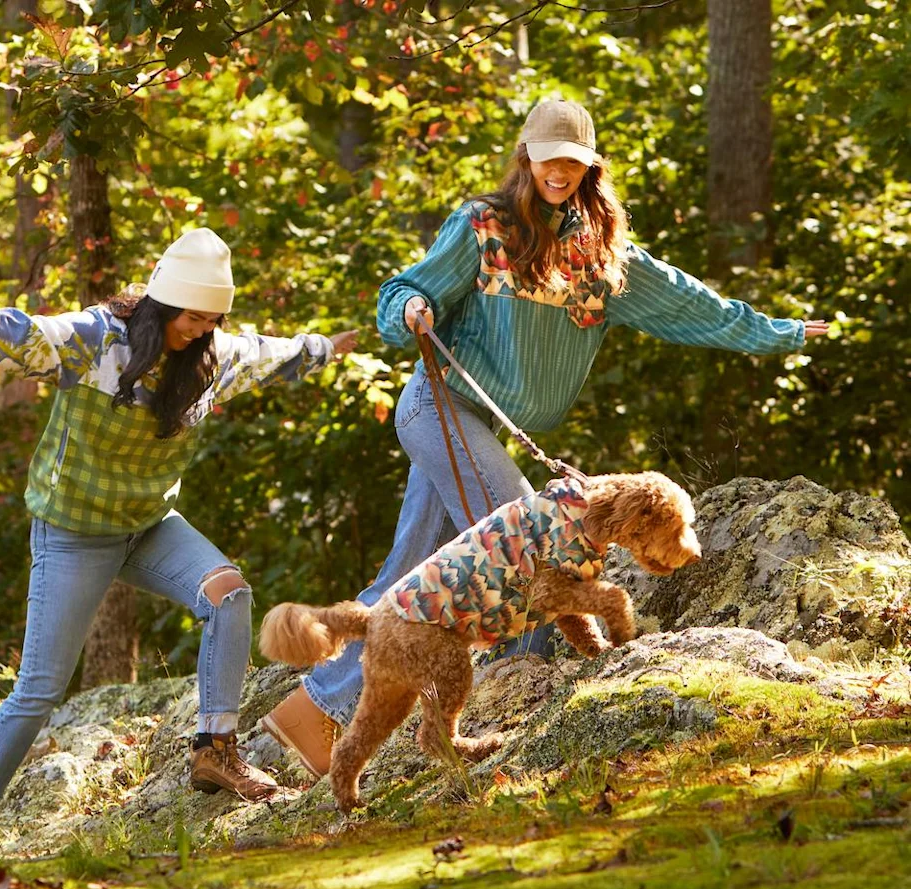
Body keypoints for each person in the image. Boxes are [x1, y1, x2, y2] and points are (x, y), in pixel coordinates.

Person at [260, 98, 828, 779]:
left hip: (476, 427)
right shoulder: (484, 226)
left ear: (589, 167)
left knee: (411, 578)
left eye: (572, 160)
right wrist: (411, 308)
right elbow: (405, 289)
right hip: (439, 407)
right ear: (526, 156)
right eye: (546, 155)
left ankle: (307, 720)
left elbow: (688, 304)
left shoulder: (604, 254)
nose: (557, 170)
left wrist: (781, 332)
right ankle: (504, 704)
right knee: (530, 550)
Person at [0, 228, 357, 844]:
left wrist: (328, 347)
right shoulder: (96, 341)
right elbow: (13, 332)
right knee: (41, 685)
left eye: (213, 319)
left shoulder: (214, 355)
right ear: (164, 305)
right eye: (194, 317)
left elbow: (272, 352)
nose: (203, 329)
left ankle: (215, 750)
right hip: (74, 534)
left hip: (149, 526)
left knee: (229, 591)